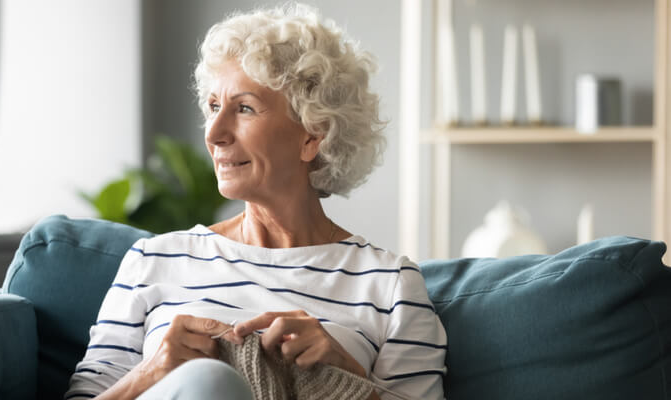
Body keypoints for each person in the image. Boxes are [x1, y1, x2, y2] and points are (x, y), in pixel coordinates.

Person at [66, 4, 446, 400]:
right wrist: (150, 373)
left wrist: (345, 372)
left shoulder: (389, 285)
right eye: (213, 107)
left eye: (244, 108)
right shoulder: (152, 262)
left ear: (313, 136)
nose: (214, 133)